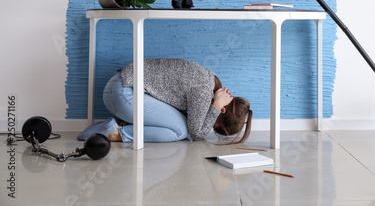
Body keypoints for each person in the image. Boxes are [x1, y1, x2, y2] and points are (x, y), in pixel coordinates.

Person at [78, 58, 252, 144]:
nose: (208, 125)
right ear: (222, 110)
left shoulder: (207, 83)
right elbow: (197, 133)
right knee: (180, 131)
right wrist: (215, 105)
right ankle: (118, 134)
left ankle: (115, 125)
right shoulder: (204, 90)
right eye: (214, 125)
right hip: (122, 92)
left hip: (121, 90)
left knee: (182, 125)